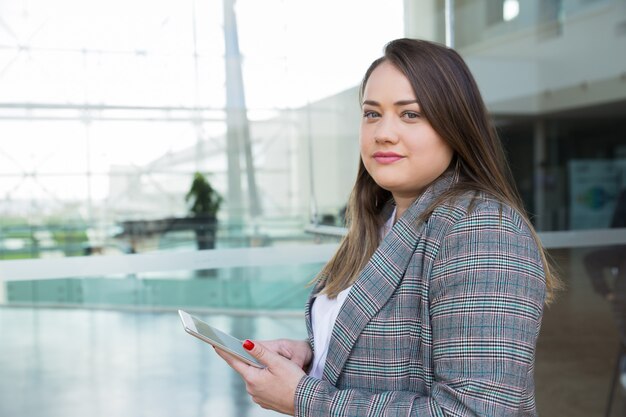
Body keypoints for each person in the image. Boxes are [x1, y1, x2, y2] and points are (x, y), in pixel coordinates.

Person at [216, 38, 559, 417]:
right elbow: (392, 350)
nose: (383, 132)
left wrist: (304, 398)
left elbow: (477, 411)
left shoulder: (482, 230)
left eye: (410, 114)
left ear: (455, 125)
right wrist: (315, 357)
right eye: (372, 113)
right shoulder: (383, 221)